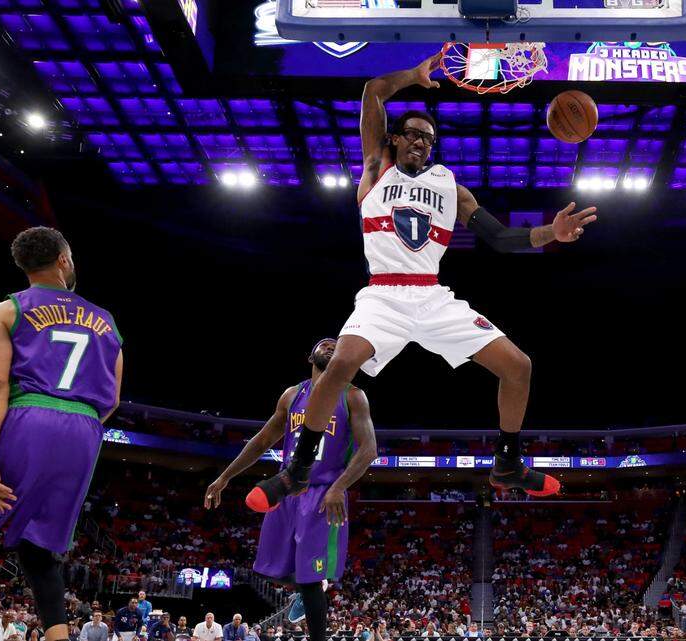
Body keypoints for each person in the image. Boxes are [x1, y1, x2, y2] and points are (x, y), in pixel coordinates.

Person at [245, 52, 598, 511]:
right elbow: (373, 90)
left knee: (519, 366)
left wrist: (553, 232)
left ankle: (507, 463)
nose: (420, 142)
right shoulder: (376, 169)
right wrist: (412, 75)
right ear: (395, 138)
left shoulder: (452, 187)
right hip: (383, 293)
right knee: (340, 364)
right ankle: (299, 468)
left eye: (428, 139)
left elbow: (502, 238)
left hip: (432, 294)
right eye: (412, 134)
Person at [0, 227, 124, 641]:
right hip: (85, 430)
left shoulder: (7, 310)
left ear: (23, 265)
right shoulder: (107, 321)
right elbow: (113, 400)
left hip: (29, 415)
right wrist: (69, 435)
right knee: (38, 549)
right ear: (64, 260)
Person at [205, 338, 377, 641]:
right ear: (309, 355)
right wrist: (225, 477)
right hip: (288, 488)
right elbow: (260, 441)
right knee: (275, 570)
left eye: (336, 346)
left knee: (310, 579)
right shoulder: (291, 395)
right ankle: (304, 588)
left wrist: (339, 487)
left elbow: (369, 451)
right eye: (323, 345)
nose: (330, 347)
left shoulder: (353, 396)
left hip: (324, 493)